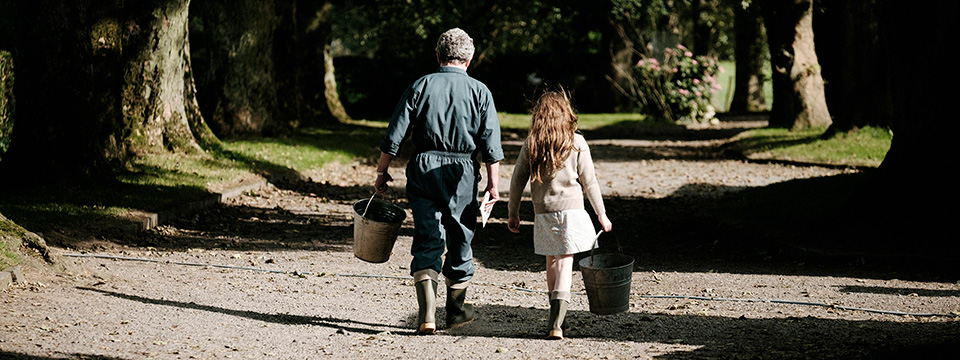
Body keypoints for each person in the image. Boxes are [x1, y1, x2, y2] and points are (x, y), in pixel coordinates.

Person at [374, 28, 503, 335]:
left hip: (424, 166)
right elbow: (491, 146)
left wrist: (382, 171)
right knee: (460, 234)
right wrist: (493, 186)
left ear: (438, 57)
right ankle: (456, 312)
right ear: (469, 60)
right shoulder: (481, 92)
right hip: (463, 171)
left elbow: (394, 135)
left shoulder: (421, 85)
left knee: (428, 235)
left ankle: (427, 313)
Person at [507, 90, 612, 340]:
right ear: (566, 113)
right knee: (566, 262)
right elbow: (591, 183)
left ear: (539, 116)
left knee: (551, 262)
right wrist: (602, 214)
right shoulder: (577, 142)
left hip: (543, 213)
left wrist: (513, 212)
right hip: (572, 212)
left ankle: (557, 320)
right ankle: (556, 322)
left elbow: (516, 181)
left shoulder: (532, 142)